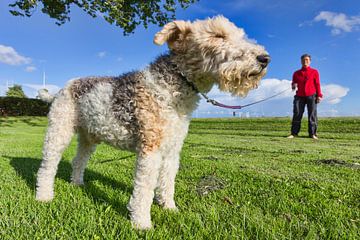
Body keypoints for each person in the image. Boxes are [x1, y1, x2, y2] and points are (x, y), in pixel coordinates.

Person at [288, 54, 323, 139]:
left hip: (312, 95)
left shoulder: (314, 72)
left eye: (307, 60)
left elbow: (317, 84)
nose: (305, 61)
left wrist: (319, 95)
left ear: (310, 61)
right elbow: (293, 83)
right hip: (299, 96)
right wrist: (293, 85)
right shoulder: (296, 73)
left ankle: (313, 134)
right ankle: (294, 133)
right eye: (303, 60)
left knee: (312, 115)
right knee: (297, 113)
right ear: (301, 61)